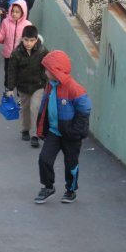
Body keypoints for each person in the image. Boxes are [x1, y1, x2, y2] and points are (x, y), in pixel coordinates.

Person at [34, 50, 92, 204]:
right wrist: (42, 126)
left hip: (70, 135)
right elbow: (45, 107)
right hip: (54, 132)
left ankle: (71, 190)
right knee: (44, 159)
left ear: (56, 71)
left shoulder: (74, 88)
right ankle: (48, 187)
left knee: (71, 163)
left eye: (48, 69)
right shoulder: (50, 86)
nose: (45, 72)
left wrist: (74, 131)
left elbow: (85, 110)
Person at [7, 25, 49, 148]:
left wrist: (45, 80)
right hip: (23, 86)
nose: (28, 43)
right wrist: (10, 88)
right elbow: (12, 71)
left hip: (38, 85)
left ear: (36, 40)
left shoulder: (42, 51)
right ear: (22, 39)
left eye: (31, 40)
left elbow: (48, 67)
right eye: (26, 40)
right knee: (24, 108)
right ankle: (25, 129)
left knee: (34, 108)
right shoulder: (16, 53)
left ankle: (34, 134)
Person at [0, 0, 31, 91]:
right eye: (13, 11)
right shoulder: (6, 22)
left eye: (17, 12)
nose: (14, 14)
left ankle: (20, 99)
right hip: (8, 56)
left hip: (22, 57)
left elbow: (31, 41)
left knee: (21, 78)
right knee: (8, 76)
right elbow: (1, 38)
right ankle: (8, 95)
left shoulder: (27, 25)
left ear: (23, 12)